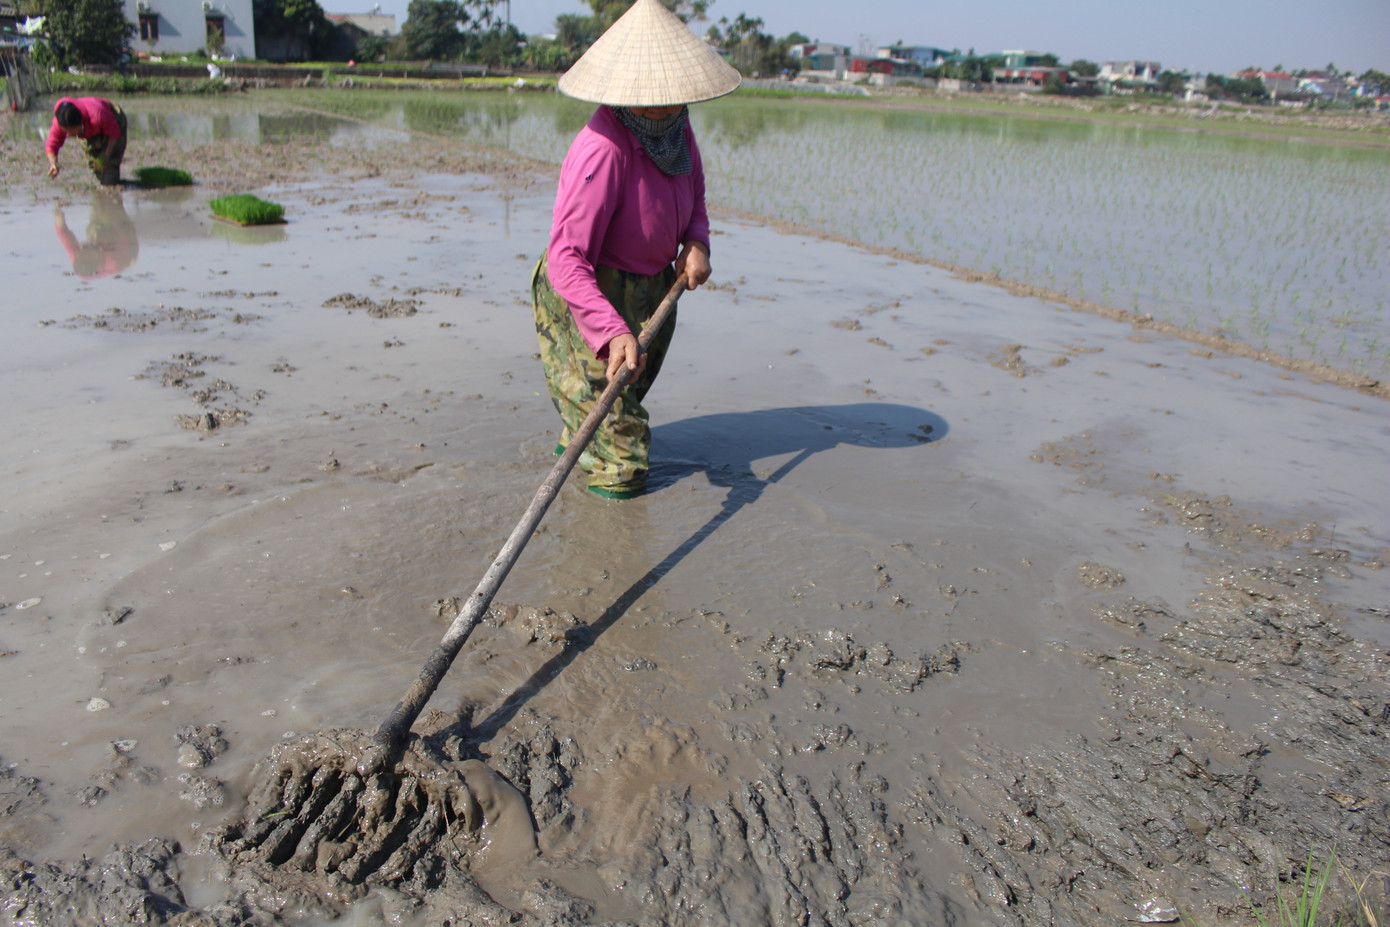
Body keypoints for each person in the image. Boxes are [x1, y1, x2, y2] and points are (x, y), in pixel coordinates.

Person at [532, 0, 741, 500]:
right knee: (623, 456)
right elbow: (566, 258)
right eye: (648, 101)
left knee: (618, 400)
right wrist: (610, 331)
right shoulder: (604, 149)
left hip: (654, 287)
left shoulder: (676, 132)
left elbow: (695, 198)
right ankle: (611, 528)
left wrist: (697, 241)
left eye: (670, 98)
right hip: (588, 293)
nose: (661, 109)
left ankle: (586, 444)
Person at [45, 96, 127, 186]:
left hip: (113, 120)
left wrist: (106, 155)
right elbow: (51, 145)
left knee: (110, 166)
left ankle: (111, 184)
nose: (70, 134)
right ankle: (109, 184)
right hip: (89, 130)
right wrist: (53, 163)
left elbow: (114, 134)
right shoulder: (59, 122)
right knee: (96, 166)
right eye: (67, 131)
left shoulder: (98, 115)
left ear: (80, 122)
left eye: (72, 131)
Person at [54, 195, 139, 280]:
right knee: (114, 210)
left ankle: (98, 197)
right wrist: (113, 212)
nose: (86, 247)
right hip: (127, 250)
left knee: (95, 227)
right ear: (95, 257)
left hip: (106, 246)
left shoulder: (76, 257)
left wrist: (59, 216)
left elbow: (63, 233)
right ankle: (115, 198)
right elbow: (125, 236)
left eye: (84, 248)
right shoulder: (114, 261)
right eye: (87, 249)